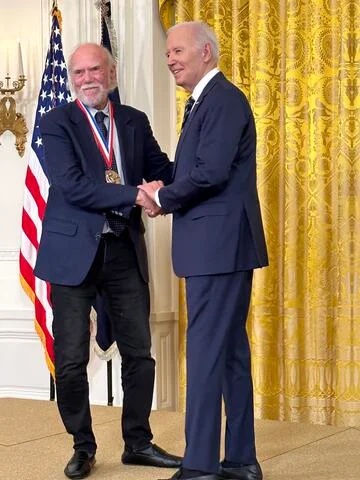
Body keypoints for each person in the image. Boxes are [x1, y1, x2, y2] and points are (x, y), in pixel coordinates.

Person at [34, 43, 181, 479]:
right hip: (71, 254)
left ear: (111, 73)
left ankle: (138, 442)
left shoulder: (133, 121)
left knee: (140, 352)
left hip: (122, 249)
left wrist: (179, 182)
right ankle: (83, 446)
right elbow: (73, 186)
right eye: (78, 72)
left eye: (94, 69)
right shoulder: (56, 121)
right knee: (71, 359)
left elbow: (163, 169)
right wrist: (136, 194)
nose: (86, 79)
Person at [139, 21, 268, 480]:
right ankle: (240, 461)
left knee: (209, 352)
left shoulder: (224, 100)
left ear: (206, 53)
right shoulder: (203, 104)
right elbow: (194, 170)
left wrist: (163, 198)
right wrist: (163, 186)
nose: (169, 58)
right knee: (230, 352)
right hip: (219, 248)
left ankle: (199, 468)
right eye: (169, 52)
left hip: (219, 249)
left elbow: (210, 173)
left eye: (177, 51)